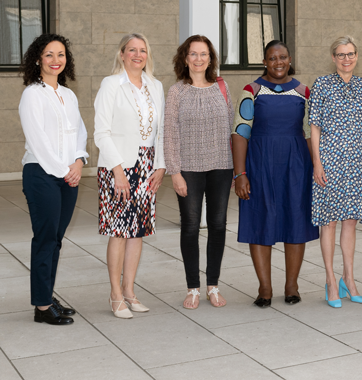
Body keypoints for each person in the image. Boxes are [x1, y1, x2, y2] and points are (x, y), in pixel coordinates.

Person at [232, 40, 319, 308]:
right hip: (259, 166)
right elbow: (240, 132)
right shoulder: (251, 91)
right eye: (272, 58)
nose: (278, 62)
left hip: (296, 165)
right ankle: (265, 288)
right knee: (260, 222)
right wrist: (240, 174)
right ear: (265, 62)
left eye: (282, 57)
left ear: (290, 59)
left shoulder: (305, 92)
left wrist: (317, 168)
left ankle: (291, 285)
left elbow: (309, 134)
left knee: (296, 221)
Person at [94, 33, 166, 319]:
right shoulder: (111, 84)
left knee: (139, 232)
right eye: (132, 50)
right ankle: (115, 294)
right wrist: (118, 171)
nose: (138, 55)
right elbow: (102, 132)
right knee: (119, 231)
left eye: (143, 50)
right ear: (122, 54)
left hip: (148, 165)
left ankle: (130, 291)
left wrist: (160, 166)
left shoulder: (155, 86)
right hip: (119, 166)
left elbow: (160, 131)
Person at [19, 34, 87, 325]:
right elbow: (38, 139)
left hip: (67, 174)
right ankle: (42, 307)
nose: (56, 60)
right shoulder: (33, 93)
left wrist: (79, 161)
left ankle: (47, 295)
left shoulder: (68, 94)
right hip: (41, 174)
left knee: (56, 239)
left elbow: (80, 132)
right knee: (46, 239)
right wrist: (64, 169)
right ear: (38, 59)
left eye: (61, 55)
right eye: (49, 55)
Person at [165, 35, 233, 309]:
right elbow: (169, 133)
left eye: (203, 54)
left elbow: (231, 128)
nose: (198, 59)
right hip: (188, 169)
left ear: (210, 58)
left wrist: (236, 170)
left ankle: (213, 285)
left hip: (221, 166)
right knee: (191, 227)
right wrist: (175, 172)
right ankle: (193, 287)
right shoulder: (176, 91)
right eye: (193, 54)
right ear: (185, 58)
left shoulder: (222, 87)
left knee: (217, 226)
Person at [309, 35, 362, 308]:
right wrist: (317, 162)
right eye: (341, 54)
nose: (346, 59)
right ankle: (329, 279)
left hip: (356, 161)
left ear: (357, 56)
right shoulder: (322, 84)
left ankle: (349, 279)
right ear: (333, 57)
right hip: (329, 161)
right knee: (329, 221)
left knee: (350, 221)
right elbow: (314, 126)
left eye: (350, 54)